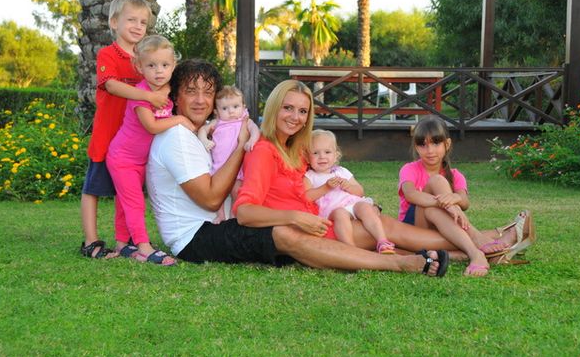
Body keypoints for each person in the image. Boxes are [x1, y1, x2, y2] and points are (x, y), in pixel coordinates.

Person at [147, 63, 450, 276]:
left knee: (378, 224)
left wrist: (351, 200)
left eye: (207, 92)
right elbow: (216, 200)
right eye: (191, 92)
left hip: (256, 222)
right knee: (286, 234)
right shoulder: (179, 137)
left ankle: (467, 247)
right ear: (175, 96)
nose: (201, 100)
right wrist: (244, 145)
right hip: (197, 236)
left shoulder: (202, 134)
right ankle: (399, 263)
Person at [79, 0, 169, 259]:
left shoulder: (145, 60)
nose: (138, 26)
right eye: (131, 20)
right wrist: (148, 97)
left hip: (132, 141)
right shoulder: (108, 54)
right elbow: (111, 85)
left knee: (126, 191)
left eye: (143, 22)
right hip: (108, 134)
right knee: (93, 188)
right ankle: (90, 241)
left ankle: (124, 240)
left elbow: (162, 81)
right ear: (114, 22)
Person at [398, 116, 534, 276]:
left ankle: (474, 251)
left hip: (442, 228)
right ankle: (486, 240)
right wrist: (447, 204)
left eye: (436, 143)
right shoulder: (409, 169)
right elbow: (411, 195)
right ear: (416, 147)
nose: (430, 150)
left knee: (435, 212)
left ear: (447, 144)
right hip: (415, 228)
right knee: (436, 182)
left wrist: (455, 199)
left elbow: (465, 202)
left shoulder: (456, 175)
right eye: (423, 145)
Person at [106, 35, 195, 265]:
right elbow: (152, 126)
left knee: (125, 203)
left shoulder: (169, 91)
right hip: (123, 158)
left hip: (141, 160)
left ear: (173, 65)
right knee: (134, 202)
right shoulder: (141, 94)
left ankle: (122, 243)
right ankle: (143, 247)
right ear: (139, 67)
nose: (159, 71)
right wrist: (179, 120)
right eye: (151, 65)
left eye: (165, 65)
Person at [304, 129, 396, 254]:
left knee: (364, 207)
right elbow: (307, 196)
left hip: (352, 205)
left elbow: (360, 191)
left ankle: (382, 241)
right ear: (307, 157)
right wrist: (325, 187)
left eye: (327, 152)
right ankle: (351, 248)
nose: (322, 156)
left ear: (335, 155)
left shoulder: (342, 171)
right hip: (332, 210)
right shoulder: (310, 176)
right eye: (315, 153)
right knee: (340, 214)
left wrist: (349, 187)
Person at [197, 85, 261, 224]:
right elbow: (203, 130)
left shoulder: (244, 121)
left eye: (235, 106)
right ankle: (220, 216)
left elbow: (255, 130)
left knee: (236, 192)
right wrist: (205, 141)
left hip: (238, 166)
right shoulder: (217, 122)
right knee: (219, 194)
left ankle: (233, 215)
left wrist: (251, 140)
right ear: (216, 111)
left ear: (243, 107)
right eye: (225, 108)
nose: (231, 111)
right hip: (220, 167)